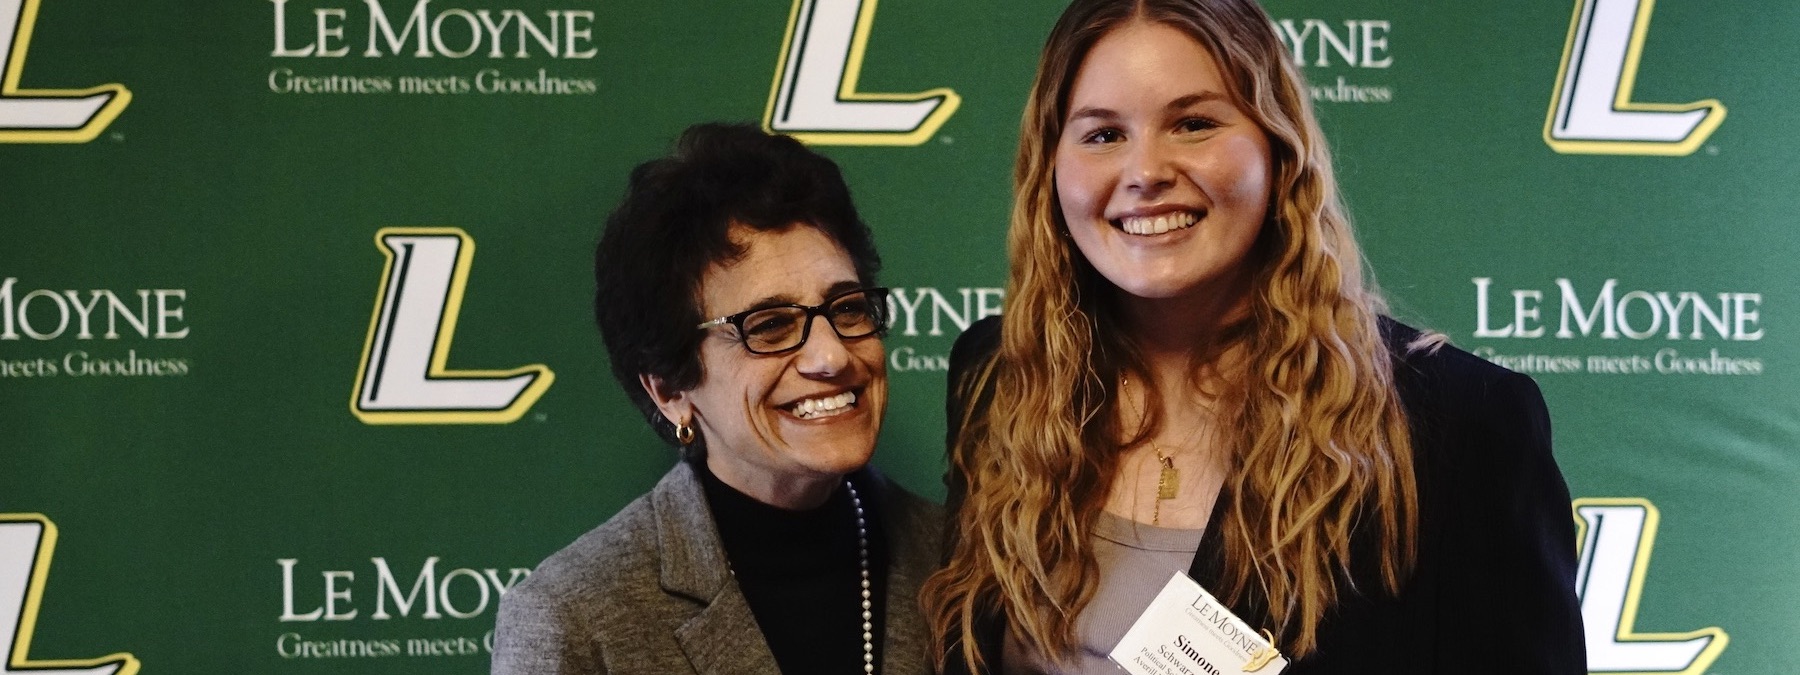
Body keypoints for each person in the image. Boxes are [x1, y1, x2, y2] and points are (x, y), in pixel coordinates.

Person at [921, 1, 1585, 673]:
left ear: (1278, 149)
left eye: (1193, 123)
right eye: (1102, 135)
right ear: (1050, 165)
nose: (1146, 170)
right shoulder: (997, 376)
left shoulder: (1459, 425)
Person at [492, 123, 942, 675]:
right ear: (670, 387)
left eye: (847, 308)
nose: (831, 356)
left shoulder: (970, 563)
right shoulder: (576, 619)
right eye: (770, 325)